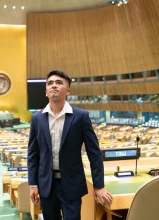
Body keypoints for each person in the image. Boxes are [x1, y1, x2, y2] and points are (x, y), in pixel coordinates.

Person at [28, 70, 113, 220]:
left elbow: (94, 153)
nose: (54, 86)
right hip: (46, 185)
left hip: (72, 184)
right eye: (50, 83)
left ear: (68, 90)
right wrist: (33, 184)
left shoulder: (81, 117)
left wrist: (98, 186)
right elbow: (33, 154)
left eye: (59, 83)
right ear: (46, 91)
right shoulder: (37, 118)